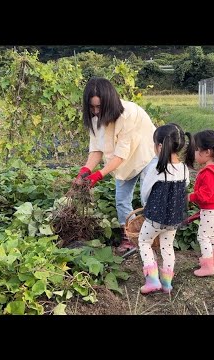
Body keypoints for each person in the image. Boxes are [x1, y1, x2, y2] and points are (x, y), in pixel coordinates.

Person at [74, 77, 157, 254]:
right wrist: (85, 171)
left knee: (147, 198)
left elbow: (121, 153)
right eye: (92, 107)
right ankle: (131, 238)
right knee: (121, 200)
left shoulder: (128, 114)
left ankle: (153, 238)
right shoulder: (95, 120)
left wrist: (98, 175)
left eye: (99, 107)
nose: (96, 112)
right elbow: (96, 150)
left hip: (146, 155)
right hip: (122, 162)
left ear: (109, 102)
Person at [137, 123, 192, 294]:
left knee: (144, 242)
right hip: (174, 218)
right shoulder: (183, 168)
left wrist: (146, 205)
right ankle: (167, 284)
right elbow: (186, 186)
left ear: (160, 146)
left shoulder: (157, 169)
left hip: (155, 217)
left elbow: (145, 191)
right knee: (167, 247)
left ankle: (152, 280)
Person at [185, 130, 214, 277]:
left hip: (211, 212)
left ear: (207, 152)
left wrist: (190, 197)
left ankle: (208, 266)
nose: (195, 153)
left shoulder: (208, 173)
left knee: (203, 236)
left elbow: (204, 196)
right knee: (212, 235)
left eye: (197, 150)